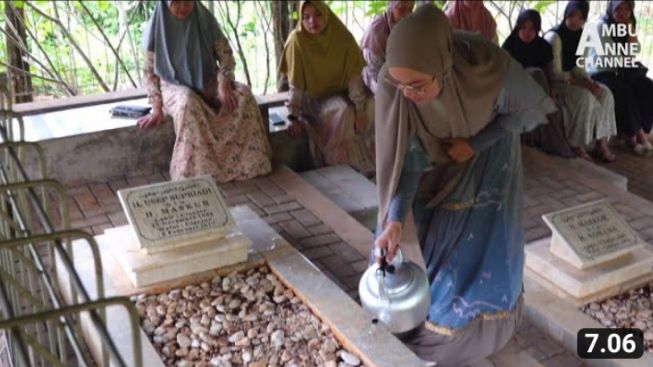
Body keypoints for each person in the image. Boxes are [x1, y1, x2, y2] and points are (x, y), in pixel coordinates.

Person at [374, 5, 556, 366]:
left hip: (488, 158)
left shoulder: (487, 67)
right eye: (401, 85)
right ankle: (421, 311)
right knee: (421, 227)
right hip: (433, 161)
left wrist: (476, 143)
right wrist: (394, 219)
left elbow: (534, 109)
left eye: (417, 85)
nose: (408, 94)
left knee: (476, 242)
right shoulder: (396, 87)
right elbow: (406, 160)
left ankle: (476, 323)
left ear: (442, 65)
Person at [138, 0, 271, 182]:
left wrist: (223, 83)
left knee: (244, 96)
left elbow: (227, 58)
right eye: (177, 3)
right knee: (188, 103)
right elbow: (149, 72)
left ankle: (247, 165)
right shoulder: (158, 24)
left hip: (208, 79)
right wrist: (156, 106)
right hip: (172, 84)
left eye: (188, 2)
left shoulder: (204, 19)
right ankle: (200, 174)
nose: (183, 7)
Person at [279, 0, 375, 176]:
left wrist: (360, 109)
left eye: (318, 15)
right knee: (343, 110)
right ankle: (337, 165)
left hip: (342, 93)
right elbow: (296, 84)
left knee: (372, 105)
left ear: (326, 14)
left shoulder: (341, 37)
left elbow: (354, 78)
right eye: (306, 17)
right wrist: (293, 116)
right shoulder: (297, 41)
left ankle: (370, 164)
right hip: (313, 100)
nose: (312, 22)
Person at [543, 0, 617, 162]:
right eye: (572, 15)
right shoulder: (554, 37)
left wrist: (590, 82)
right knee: (585, 97)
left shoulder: (582, 36)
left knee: (605, 93)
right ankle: (578, 145)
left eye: (580, 17)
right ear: (566, 15)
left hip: (574, 80)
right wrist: (583, 84)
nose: (575, 21)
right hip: (556, 84)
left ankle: (601, 144)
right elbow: (555, 74)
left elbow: (580, 68)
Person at [587, 0, 653, 156]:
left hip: (619, 71)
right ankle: (636, 138)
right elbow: (612, 57)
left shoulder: (626, 26)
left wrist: (630, 29)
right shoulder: (601, 26)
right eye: (618, 8)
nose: (622, 13)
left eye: (627, 9)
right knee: (624, 90)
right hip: (599, 72)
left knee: (648, 86)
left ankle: (639, 130)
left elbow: (633, 51)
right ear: (611, 8)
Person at [361, 0, 415, 94]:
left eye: (410, 9)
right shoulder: (376, 33)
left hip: (397, 74)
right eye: (401, 9)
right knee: (395, 96)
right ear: (392, 6)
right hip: (376, 77)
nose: (407, 14)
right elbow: (377, 73)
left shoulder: (407, 25)